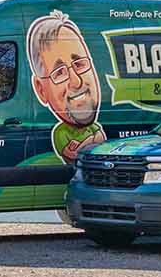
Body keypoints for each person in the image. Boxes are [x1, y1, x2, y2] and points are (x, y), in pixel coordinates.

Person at [28, 10, 107, 163]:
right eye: (59, 73)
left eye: (79, 64)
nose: (76, 81)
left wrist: (87, 143)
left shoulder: (93, 126)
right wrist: (91, 141)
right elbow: (73, 154)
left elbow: (97, 139)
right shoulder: (61, 132)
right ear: (41, 90)